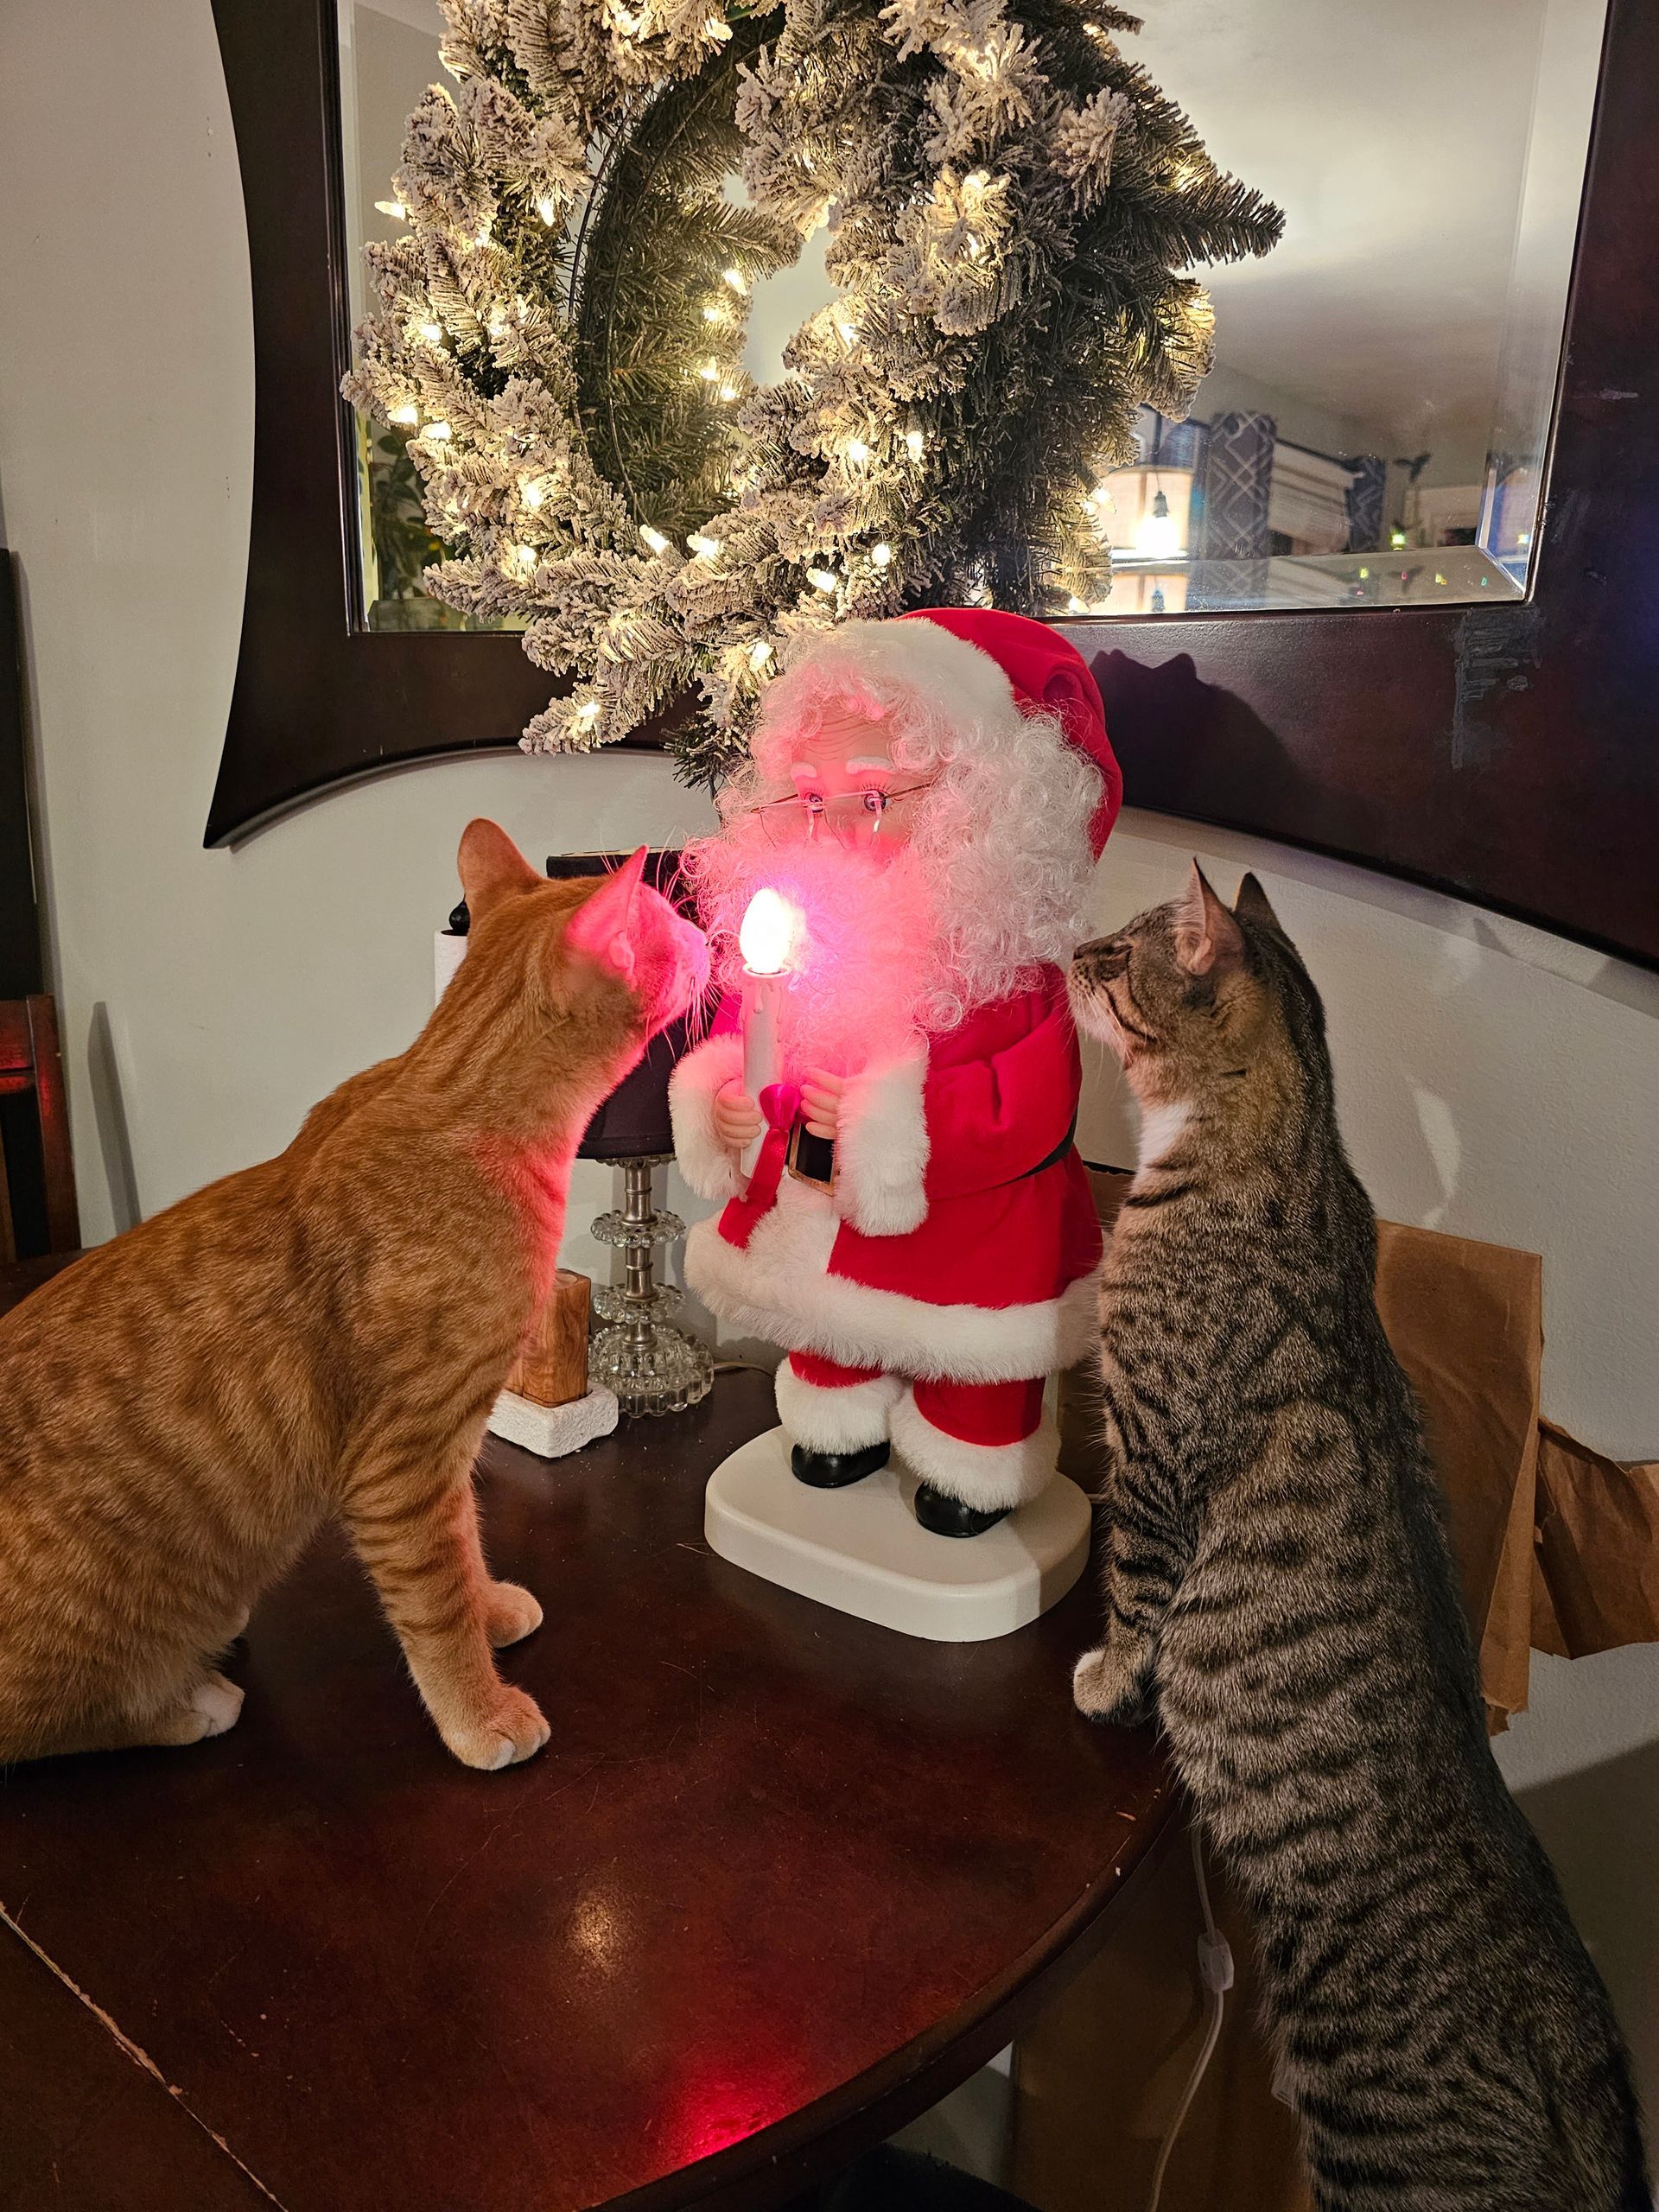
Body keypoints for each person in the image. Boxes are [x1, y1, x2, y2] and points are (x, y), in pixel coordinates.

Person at [671, 609, 1122, 1535]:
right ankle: (841, 1415)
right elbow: (749, 1039)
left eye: (872, 799)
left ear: (975, 804)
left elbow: (1029, 1110)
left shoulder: (1006, 967)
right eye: (806, 797)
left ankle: (973, 1460)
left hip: (972, 1241)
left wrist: (889, 1122)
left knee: (974, 1368)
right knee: (829, 1331)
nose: (830, 826)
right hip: (817, 1220)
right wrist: (728, 1100)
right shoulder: (792, 937)